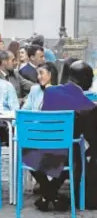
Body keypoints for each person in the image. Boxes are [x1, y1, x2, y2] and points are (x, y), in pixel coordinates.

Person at [24, 61, 96, 212]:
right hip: (64, 155)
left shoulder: (50, 92)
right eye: (90, 77)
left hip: (35, 151)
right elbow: (92, 138)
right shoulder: (87, 105)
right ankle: (53, 194)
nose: (92, 81)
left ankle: (48, 195)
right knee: (77, 149)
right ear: (84, 77)